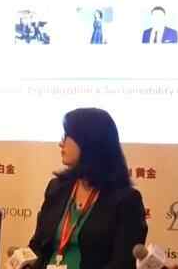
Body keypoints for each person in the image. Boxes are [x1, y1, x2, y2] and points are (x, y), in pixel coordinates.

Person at [28, 108, 147, 269]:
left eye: (66, 136)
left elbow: (123, 263)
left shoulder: (126, 200)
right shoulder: (57, 188)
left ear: (88, 141)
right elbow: (37, 246)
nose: (61, 143)